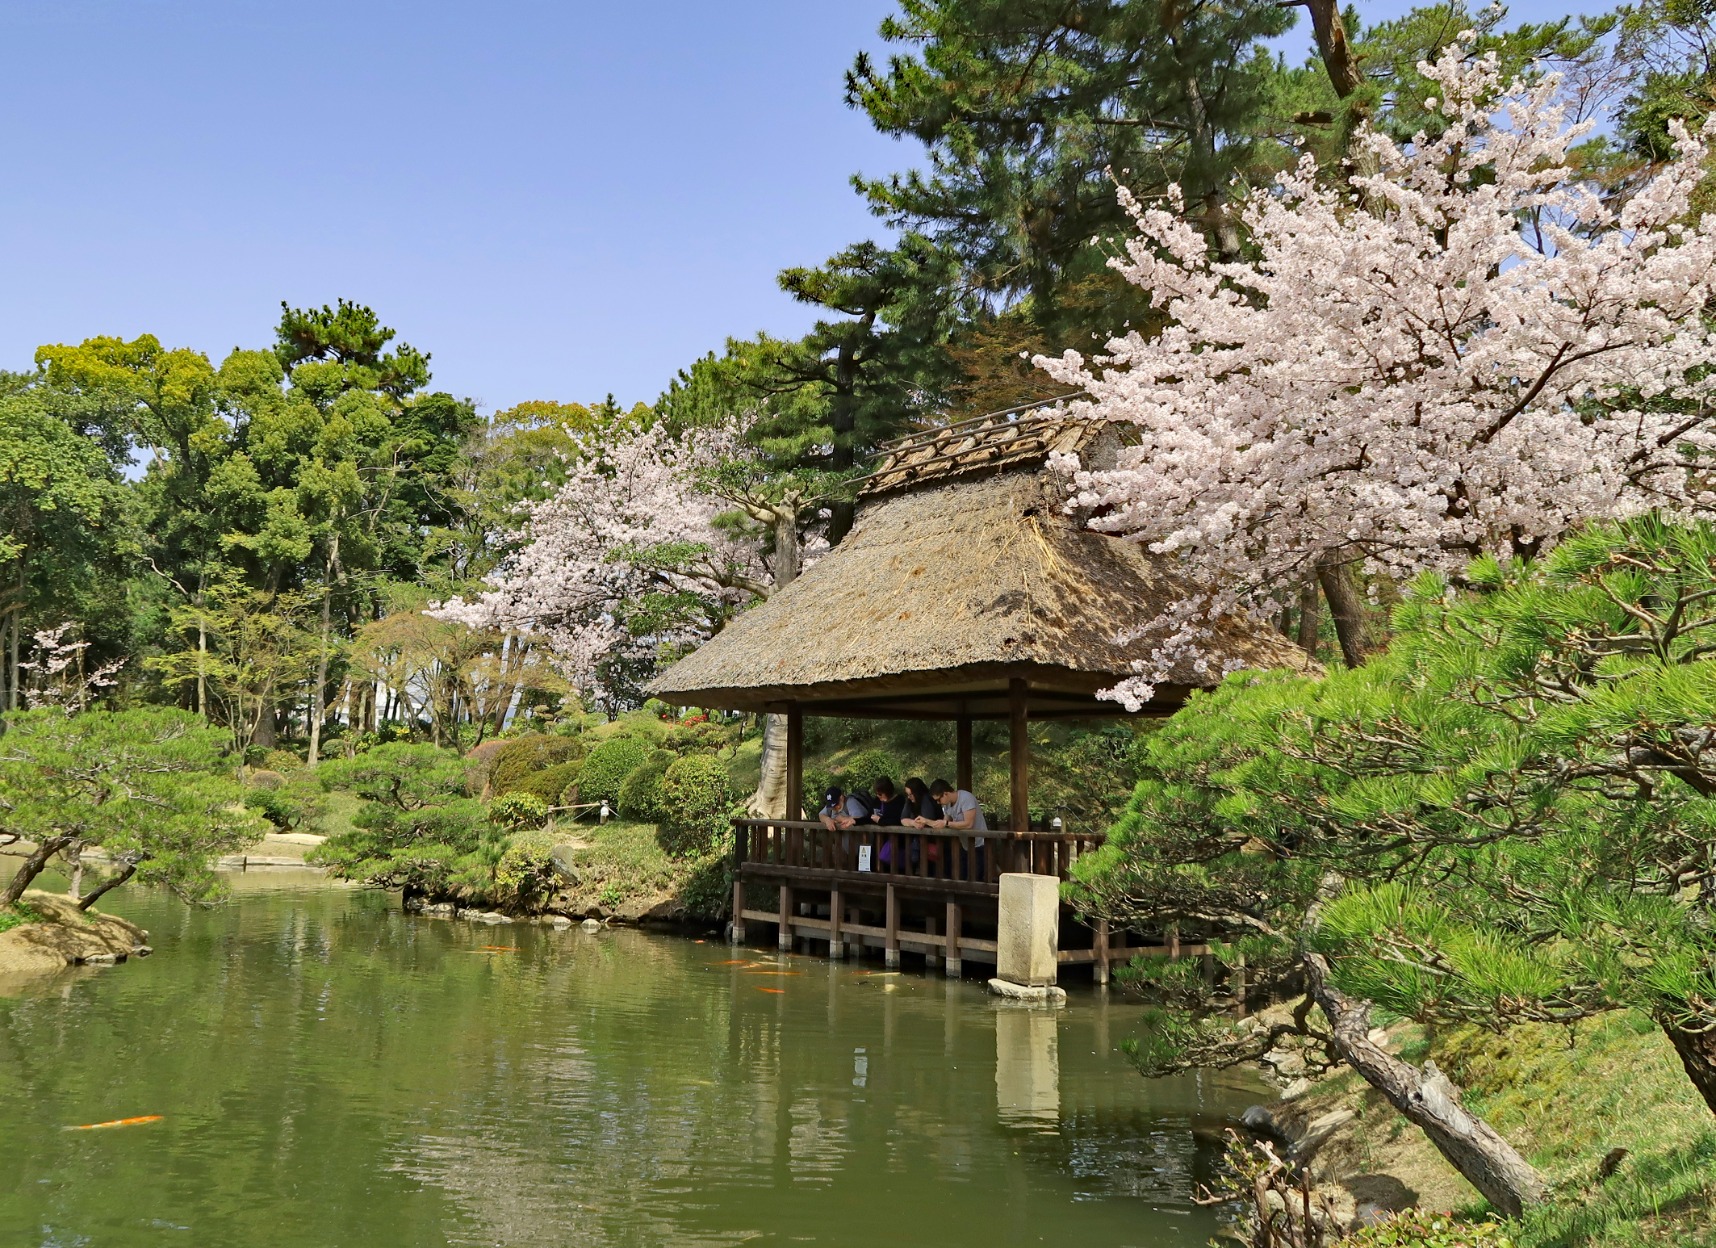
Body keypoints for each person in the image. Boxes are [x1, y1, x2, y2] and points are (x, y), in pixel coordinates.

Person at [926, 778, 987, 879]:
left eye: (938, 800)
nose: (938, 803)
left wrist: (946, 823)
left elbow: (968, 824)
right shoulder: (947, 805)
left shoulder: (966, 798)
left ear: (945, 793)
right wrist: (926, 821)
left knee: (976, 878)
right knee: (963, 877)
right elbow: (944, 823)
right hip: (964, 845)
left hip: (979, 844)